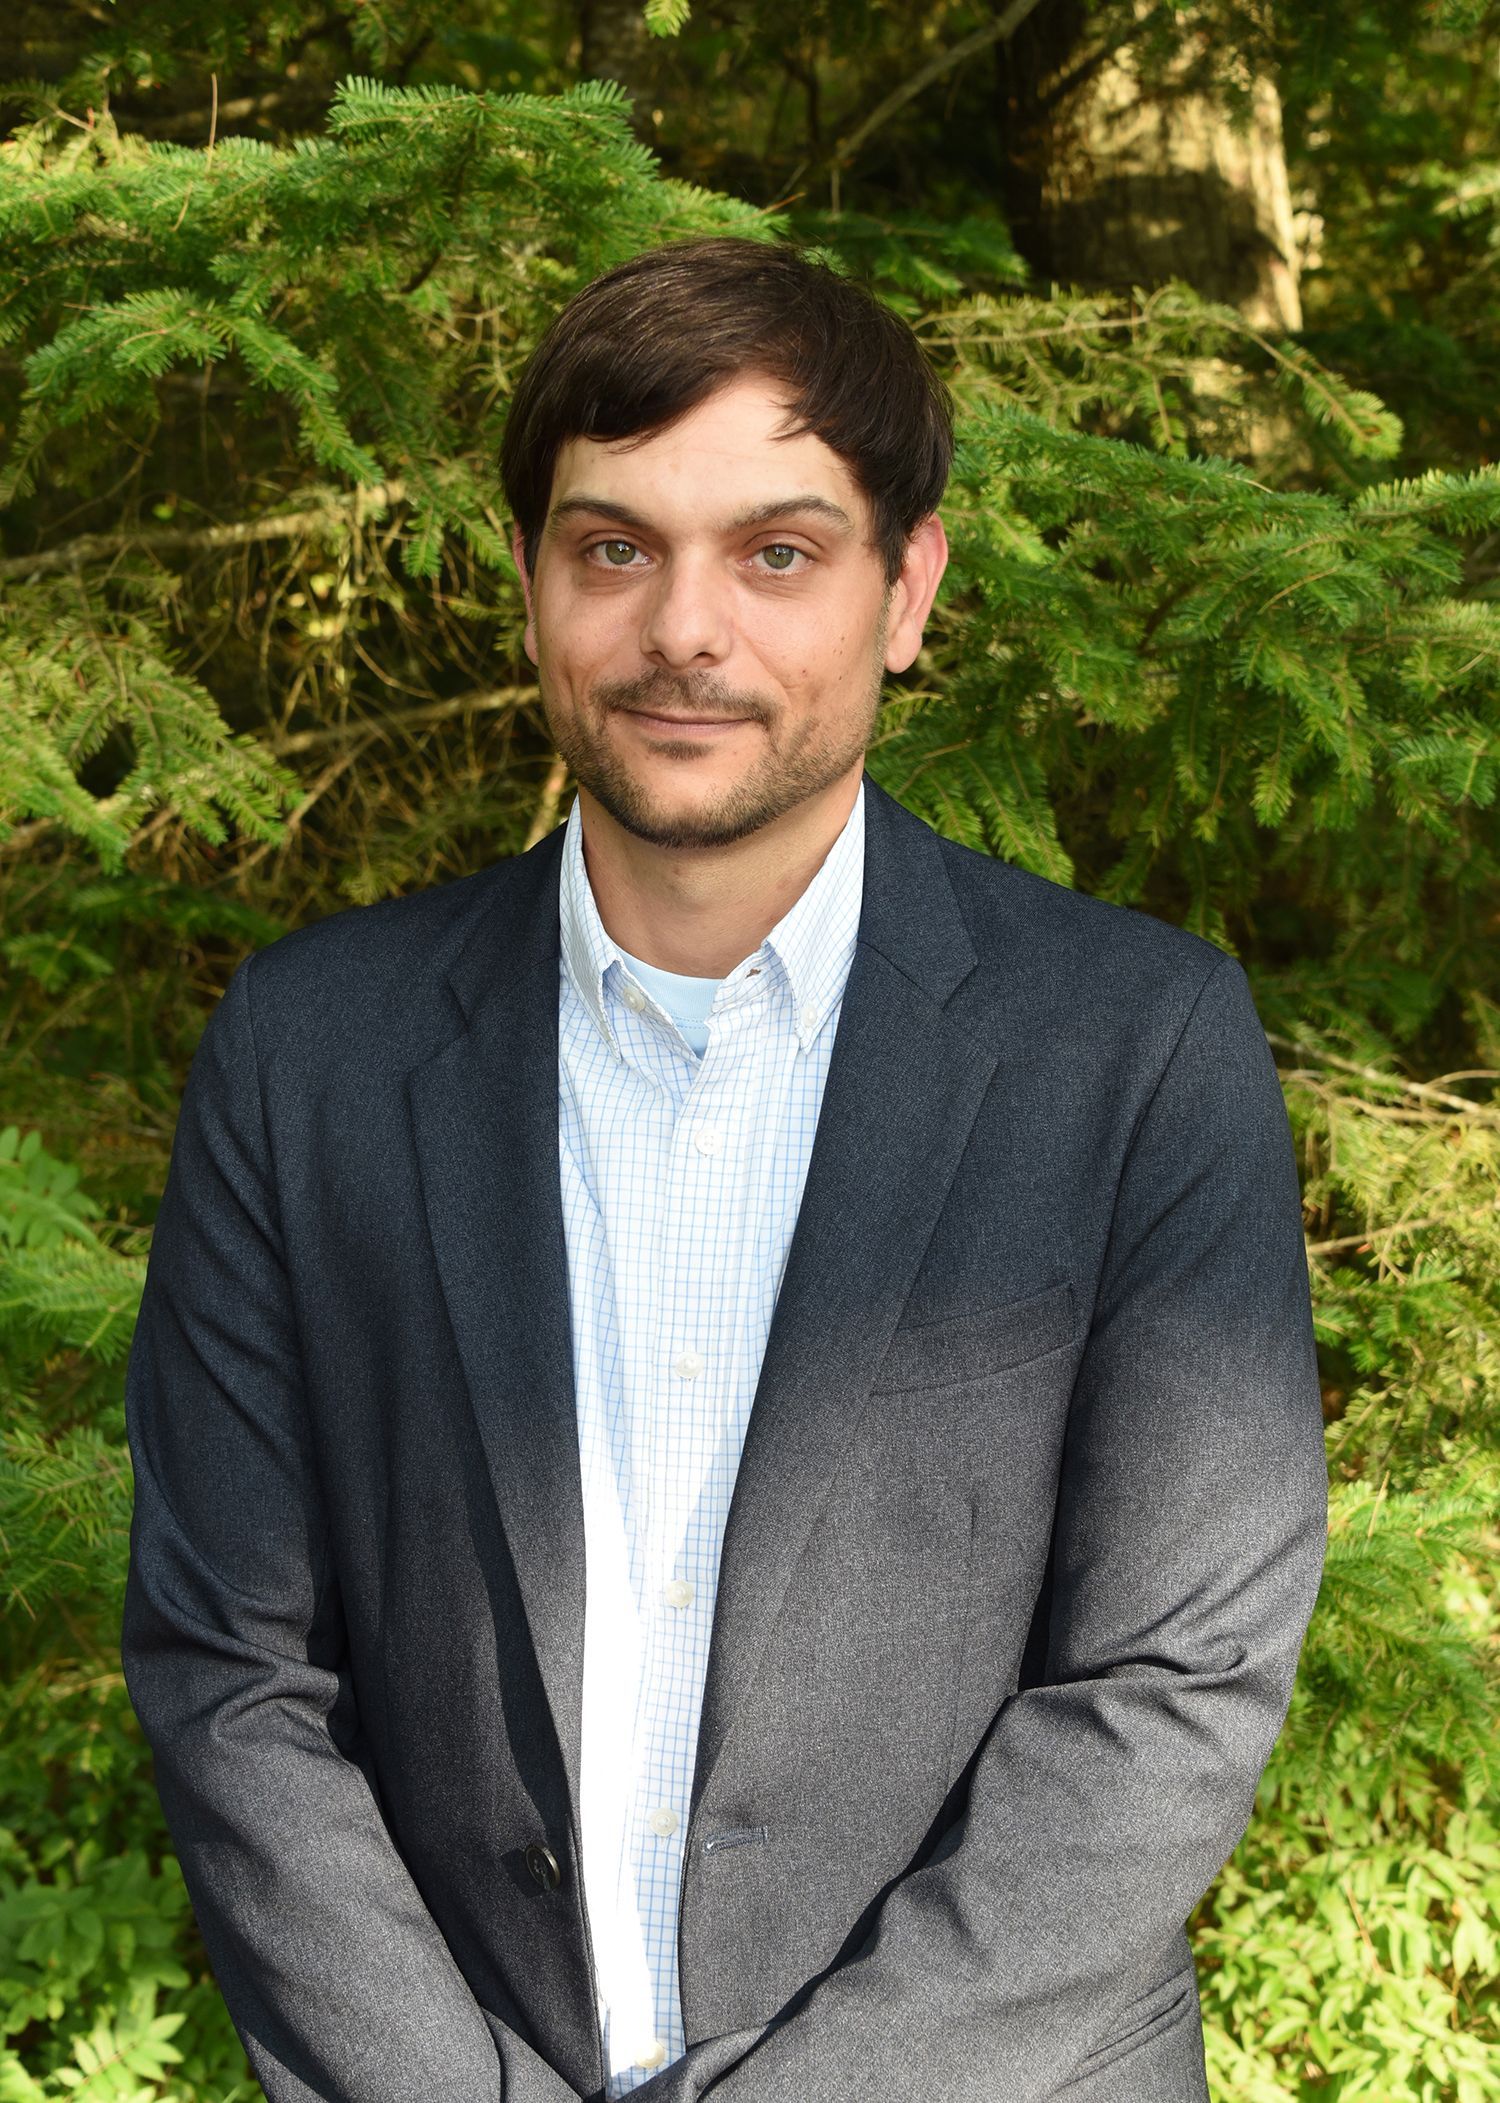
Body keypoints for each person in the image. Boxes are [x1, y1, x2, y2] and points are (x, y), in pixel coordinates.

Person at [121, 236, 1328, 2103]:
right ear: (532, 585)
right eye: (616, 547)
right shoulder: (309, 1056)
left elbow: (1170, 1680)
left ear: (905, 590)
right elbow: (228, 1667)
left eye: (778, 552)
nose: (687, 630)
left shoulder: (1136, 1048)